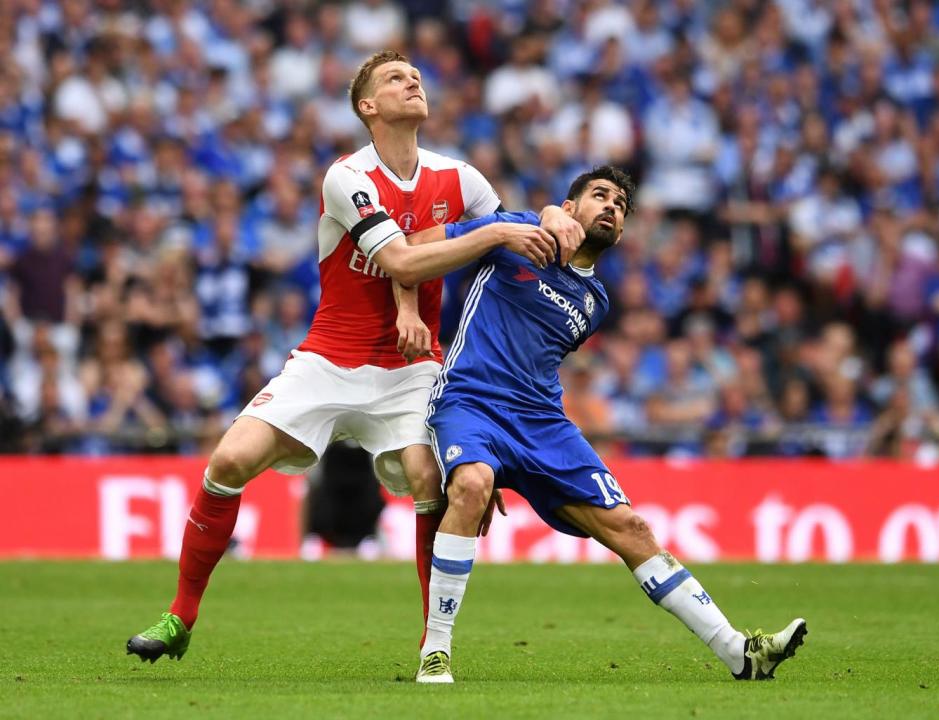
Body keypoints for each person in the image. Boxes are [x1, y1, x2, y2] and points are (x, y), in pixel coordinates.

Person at [126, 50, 584, 663]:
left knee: (431, 478)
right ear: (368, 107)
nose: (413, 80)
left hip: (411, 369)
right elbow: (401, 260)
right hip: (328, 358)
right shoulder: (347, 176)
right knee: (229, 460)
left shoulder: (459, 178)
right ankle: (179, 617)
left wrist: (551, 213)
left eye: (416, 75)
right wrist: (498, 233)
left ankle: (433, 647)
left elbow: (520, 234)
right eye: (396, 78)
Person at [413, 166, 806, 683]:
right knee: (472, 482)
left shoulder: (596, 303)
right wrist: (522, 224)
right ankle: (435, 651)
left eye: (620, 206)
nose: (612, 208)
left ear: (620, 232)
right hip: (472, 400)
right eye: (599, 196)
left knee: (632, 527)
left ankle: (740, 652)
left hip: (541, 421)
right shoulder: (513, 234)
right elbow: (419, 246)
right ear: (570, 207)